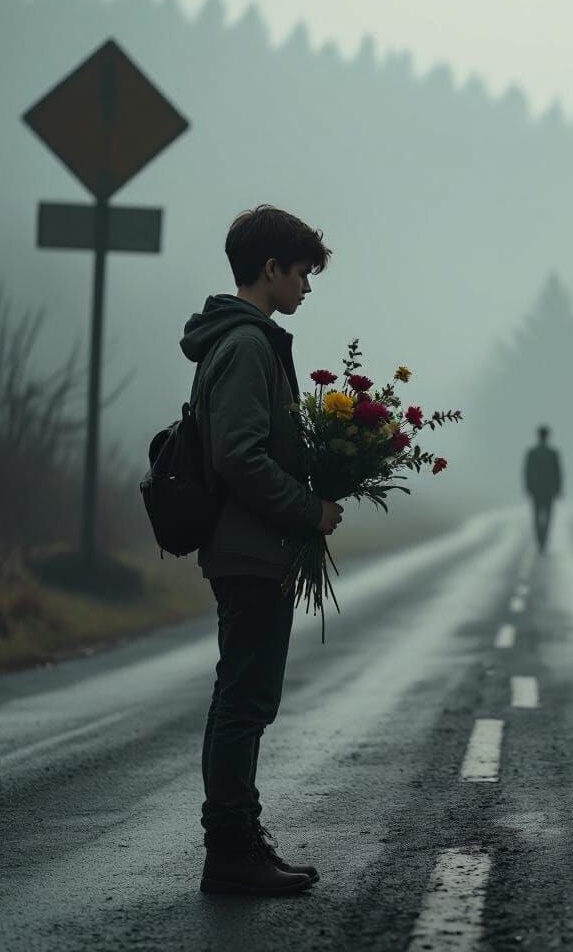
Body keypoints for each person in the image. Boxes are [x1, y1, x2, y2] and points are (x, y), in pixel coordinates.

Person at [181, 205, 343, 895]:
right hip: (250, 550)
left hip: (249, 547)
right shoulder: (247, 344)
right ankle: (232, 850)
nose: (307, 287)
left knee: (242, 696)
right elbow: (240, 456)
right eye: (302, 273)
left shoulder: (243, 339)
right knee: (246, 700)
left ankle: (238, 840)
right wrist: (309, 508)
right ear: (271, 269)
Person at [524, 425, 563, 552]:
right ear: (547, 436)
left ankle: (540, 539)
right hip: (549, 490)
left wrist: (528, 487)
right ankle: (543, 539)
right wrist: (558, 488)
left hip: (536, 490)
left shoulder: (532, 453)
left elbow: (527, 472)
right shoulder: (553, 453)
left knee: (536, 516)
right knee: (548, 516)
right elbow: (558, 473)